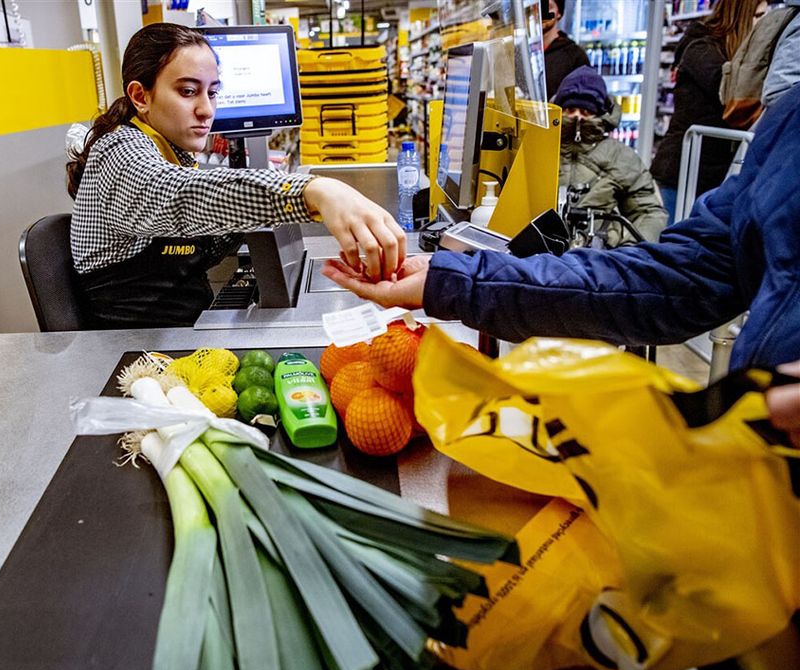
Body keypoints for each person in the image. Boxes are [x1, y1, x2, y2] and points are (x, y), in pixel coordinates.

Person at [322, 82, 800, 413]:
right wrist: (449, 279)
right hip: (765, 478)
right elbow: (682, 278)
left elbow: (656, 232)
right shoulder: (790, 122)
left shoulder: (621, 159)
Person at [67, 23, 405, 329]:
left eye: (212, 92)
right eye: (188, 91)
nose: (207, 110)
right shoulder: (119, 149)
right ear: (141, 96)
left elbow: (203, 239)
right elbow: (178, 196)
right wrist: (314, 191)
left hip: (181, 333)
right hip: (136, 357)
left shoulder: (171, 152)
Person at [650, 0, 768, 221]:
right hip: (681, 175)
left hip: (713, 178)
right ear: (741, 17)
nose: (764, 24)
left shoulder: (731, 54)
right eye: (759, 16)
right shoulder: (700, 49)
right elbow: (728, 91)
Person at [554, 66, 667, 242]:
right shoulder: (539, 149)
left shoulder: (621, 157)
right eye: (570, 110)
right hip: (538, 254)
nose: (577, 117)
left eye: (586, 112)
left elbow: (648, 212)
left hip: (598, 256)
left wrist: (630, 252)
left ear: (600, 114)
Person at [543, 0, 590, 100]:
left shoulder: (575, 55)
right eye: (537, 7)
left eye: (548, 7)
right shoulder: (521, 52)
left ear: (559, 13)